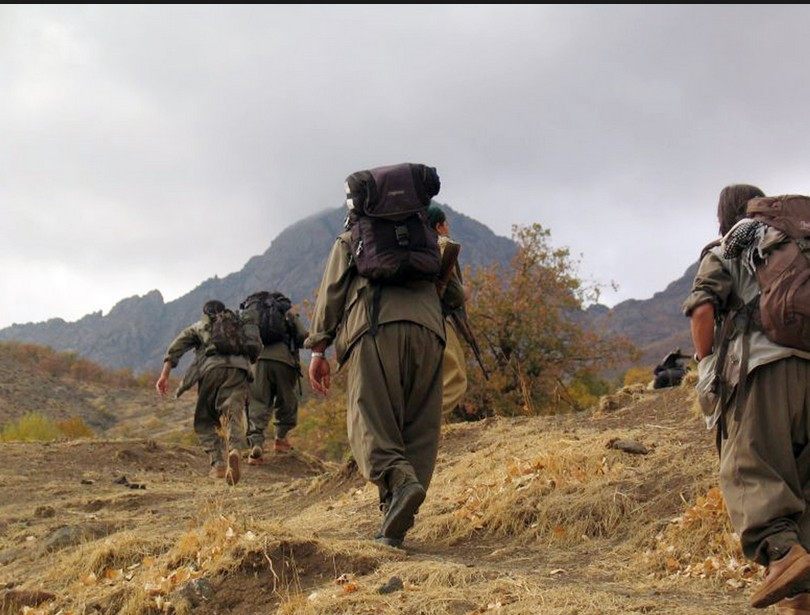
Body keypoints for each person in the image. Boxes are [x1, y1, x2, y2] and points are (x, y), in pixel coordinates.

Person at [683, 184, 810, 612]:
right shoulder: (795, 245)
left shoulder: (732, 245)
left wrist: (704, 366)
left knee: (746, 468)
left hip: (763, 372)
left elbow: (703, 309)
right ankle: (801, 599)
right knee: (803, 488)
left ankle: (781, 553)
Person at [305, 205, 445, 550]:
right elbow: (455, 295)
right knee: (418, 425)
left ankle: (400, 484)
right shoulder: (428, 237)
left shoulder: (352, 238)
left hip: (375, 326)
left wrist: (319, 349)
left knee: (369, 419)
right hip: (430, 332)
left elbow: (331, 293)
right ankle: (394, 521)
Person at [155, 299, 260, 486]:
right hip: (239, 370)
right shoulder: (238, 324)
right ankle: (235, 449)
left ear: (205, 313)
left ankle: (218, 464)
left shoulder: (200, 326)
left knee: (205, 419)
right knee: (233, 412)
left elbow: (176, 349)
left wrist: (164, 375)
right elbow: (256, 347)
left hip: (211, 370)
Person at [245, 302, 308, 462]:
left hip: (257, 361)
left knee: (258, 401)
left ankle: (256, 445)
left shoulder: (253, 314)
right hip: (283, 360)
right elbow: (302, 336)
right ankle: (281, 439)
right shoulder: (285, 312)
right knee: (286, 400)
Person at [427, 204, 469, 418]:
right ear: (438, 226)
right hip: (434, 319)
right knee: (455, 378)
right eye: (446, 224)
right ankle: (424, 426)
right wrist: (463, 291)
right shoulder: (442, 247)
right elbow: (454, 296)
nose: (448, 227)